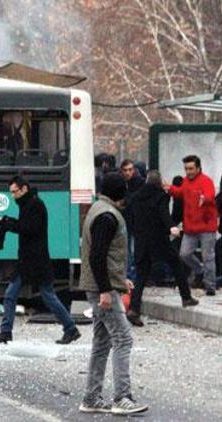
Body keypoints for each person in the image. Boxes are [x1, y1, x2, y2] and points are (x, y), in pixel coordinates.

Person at [77, 173, 147, 415]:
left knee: (102, 342)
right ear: (121, 192)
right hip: (101, 289)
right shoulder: (108, 216)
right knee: (123, 339)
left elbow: (104, 256)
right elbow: (98, 256)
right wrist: (106, 289)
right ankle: (122, 397)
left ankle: (92, 397)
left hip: (97, 285)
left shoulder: (98, 209)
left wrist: (119, 279)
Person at [0, 176, 81, 345]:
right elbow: (26, 226)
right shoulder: (29, 203)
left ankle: (70, 328)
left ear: (24, 189)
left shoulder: (34, 205)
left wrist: (8, 224)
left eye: (15, 192)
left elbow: (29, 229)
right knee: (17, 294)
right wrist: (9, 222)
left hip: (35, 260)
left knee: (44, 295)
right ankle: (6, 331)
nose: (13, 196)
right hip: (30, 259)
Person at [127, 170, 197, 326]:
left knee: (141, 276)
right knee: (176, 265)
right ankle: (186, 297)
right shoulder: (161, 196)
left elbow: (131, 218)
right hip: (159, 240)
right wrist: (172, 227)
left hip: (141, 241)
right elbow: (163, 214)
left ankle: (133, 309)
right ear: (159, 182)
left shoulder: (136, 197)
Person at [169, 155, 219, 296]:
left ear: (198, 168)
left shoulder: (206, 181)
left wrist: (205, 198)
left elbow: (210, 194)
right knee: (185, 254)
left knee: (207, 255)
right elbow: (180, 193)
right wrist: (170, 189)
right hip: (191, 225)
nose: (188, 172)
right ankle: (200, 271)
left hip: (206, 224)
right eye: (186, 169)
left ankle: (210, 286)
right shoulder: (185, 181)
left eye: (191, 168)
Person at [119, 159, 144, 294]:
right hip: (127, 221)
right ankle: (130, 276)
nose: (128, 173)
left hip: (136, 222)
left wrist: (126, 201)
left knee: (132, 250)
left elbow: (134, 199)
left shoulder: (139, 183)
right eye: (125, 170)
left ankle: (133, 277)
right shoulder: (124, 183)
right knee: (127, 250)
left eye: (130, 170)